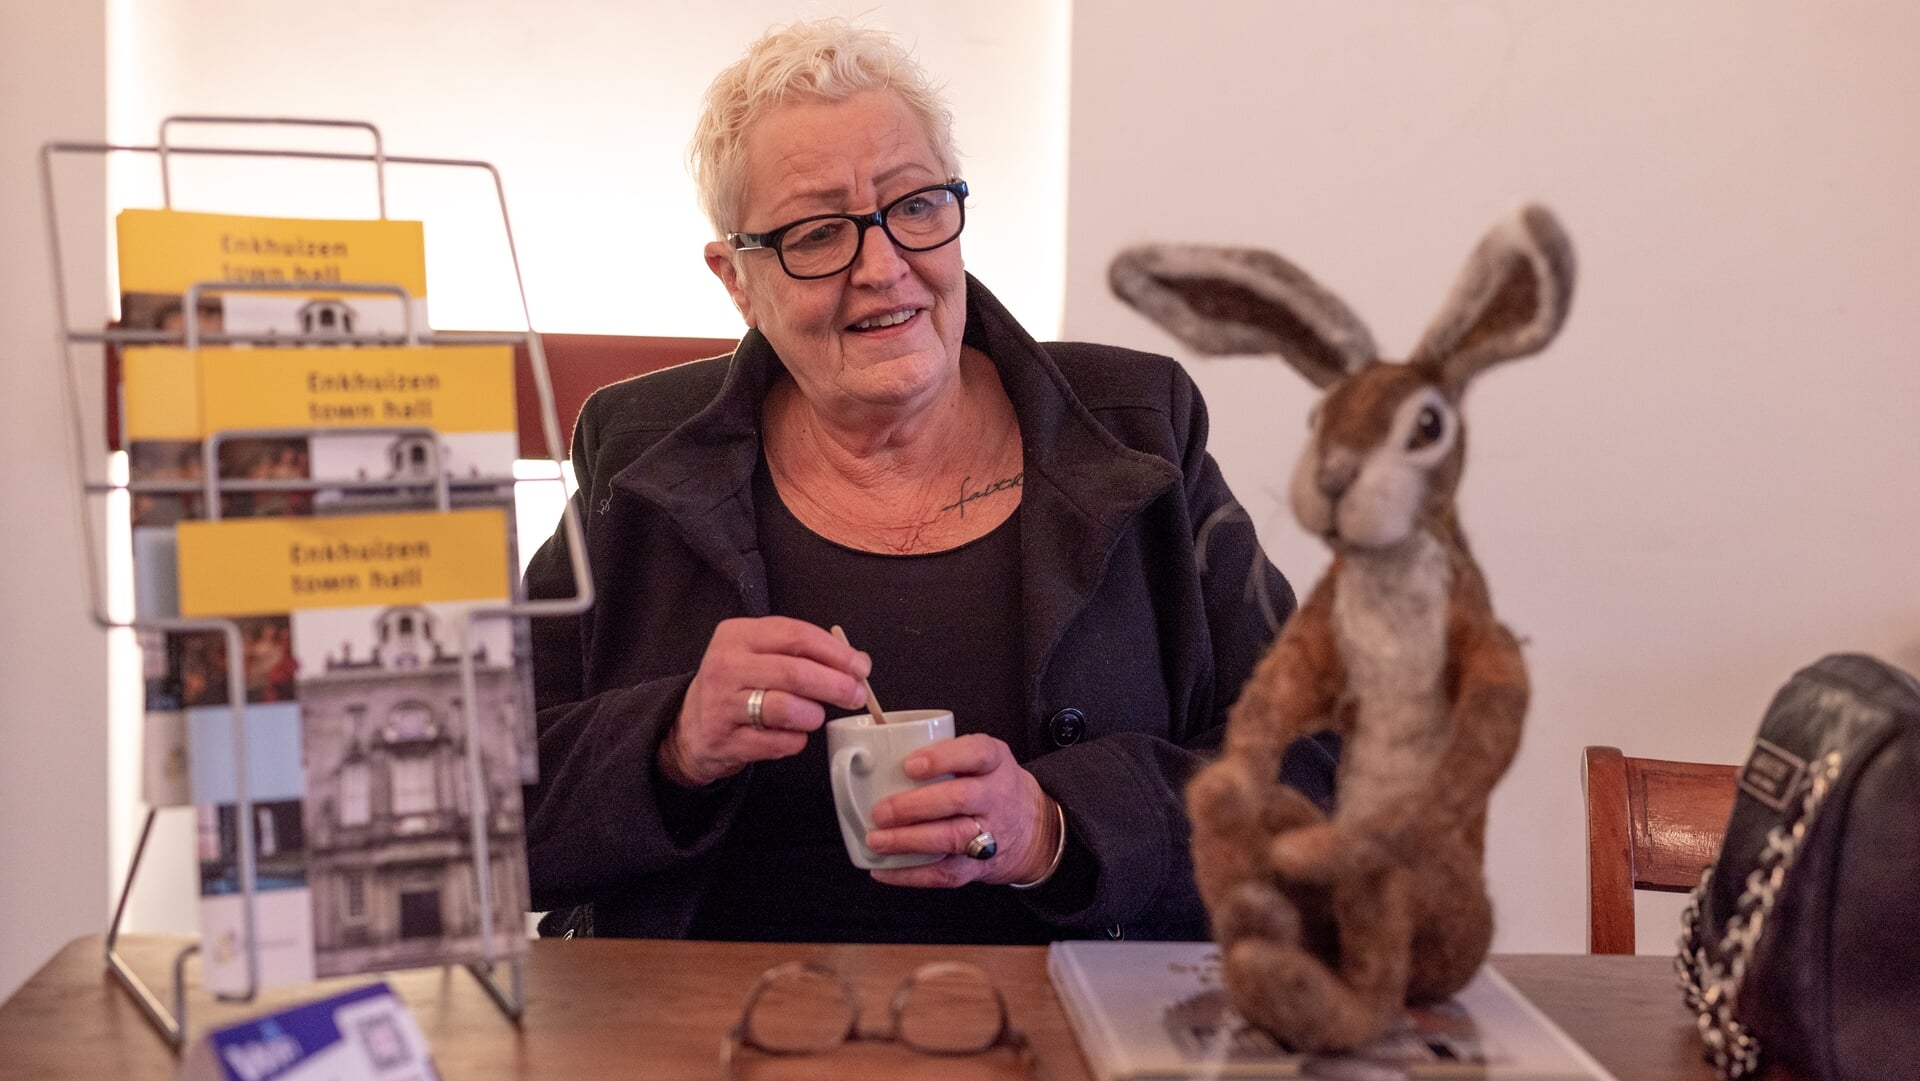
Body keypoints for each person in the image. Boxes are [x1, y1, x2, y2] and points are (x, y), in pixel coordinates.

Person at [521, 17, 1337, 944]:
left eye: (914, 206)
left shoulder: (1141, 431)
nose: (883, 266)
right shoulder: (632, 456)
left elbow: (1317, 768)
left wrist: (1057, 831)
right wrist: (669, 742)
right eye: (818, 232)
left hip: (1071, 1033)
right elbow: (478, 809)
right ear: (736, 280)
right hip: (702, 1036)